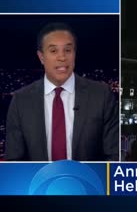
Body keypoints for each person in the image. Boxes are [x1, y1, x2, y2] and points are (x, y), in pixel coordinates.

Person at [5, 22, 118, 161]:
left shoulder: (101, 95)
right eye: (53, 51)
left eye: (68, 50)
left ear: (74, 54)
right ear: (41, 57)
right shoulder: (20, 101)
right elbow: (14, 163)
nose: (62, 57)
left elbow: (113, 156)